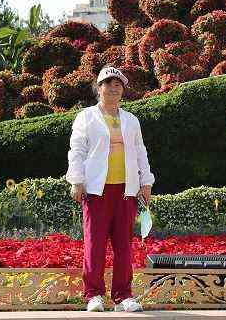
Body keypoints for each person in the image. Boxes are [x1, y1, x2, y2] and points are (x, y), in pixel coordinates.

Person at [66, 65, 155, 313]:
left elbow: (140, 152)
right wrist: (76, 180)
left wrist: (146, 182)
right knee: (94, 244)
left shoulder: (131, 120)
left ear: (123, 90)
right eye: (108, 84)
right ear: (99, 88)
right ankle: (93, 295)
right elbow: (77, 150)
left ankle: (123, 296)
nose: (113, 89)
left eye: (118, 85)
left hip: (126, 190)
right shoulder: (86, 117)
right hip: (96, 190)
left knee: (123, 246)